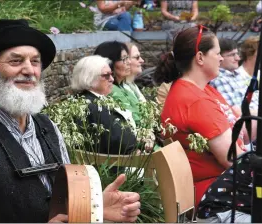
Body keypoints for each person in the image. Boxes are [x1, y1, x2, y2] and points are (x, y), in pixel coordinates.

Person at [0, 19, 140, 223]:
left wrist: (96, 208)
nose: (29, 70)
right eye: (15, 61)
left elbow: (66, 202)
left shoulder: (47, 126)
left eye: (35, 61)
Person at [154, 25, 255, 222]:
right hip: (217, 201)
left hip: (225, 190)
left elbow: (238, 131)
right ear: (200, 57)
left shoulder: (201, 90)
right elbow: (233, 159)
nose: (220, 58)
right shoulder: (194, 100)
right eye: (217, 53)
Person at [70, 55, 137, 155]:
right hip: (117, 164)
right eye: (106, 75)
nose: (112, 79)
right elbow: (120, 141)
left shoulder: (95, 99)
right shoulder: (92, 105)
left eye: (112, 74)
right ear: (89, 78)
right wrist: (139, 145)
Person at [94, 41, 142, 125]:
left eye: (128, 57)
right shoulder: (111, 89)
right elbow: (135, 121)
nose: (129, 62)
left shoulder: (124, 86)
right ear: (110, 63)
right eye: (124, 59)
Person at [210, 38, 259, 112]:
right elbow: (235, 113)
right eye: (232, 55)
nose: (238, 58)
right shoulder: (219, 79)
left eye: (237, 54)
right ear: (219, 57)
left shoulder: (238, 74)